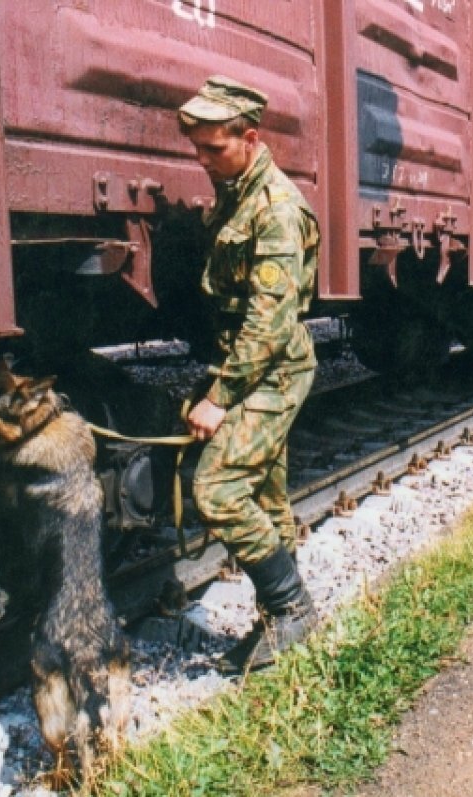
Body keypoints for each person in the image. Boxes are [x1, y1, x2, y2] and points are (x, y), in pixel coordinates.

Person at [179, 75, 321, 673]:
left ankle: (292, 608)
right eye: (198, 147)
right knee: (263, 492)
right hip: (250, 362)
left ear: (250, 137)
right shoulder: (236, 189)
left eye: (213, 148)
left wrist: (219, 397)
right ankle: (281, 628)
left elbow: (269, 321)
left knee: (216, 489)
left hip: (274, 368)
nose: (201, 158)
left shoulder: (277, 208)